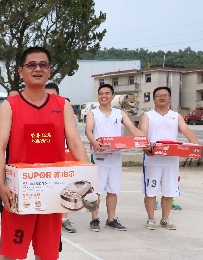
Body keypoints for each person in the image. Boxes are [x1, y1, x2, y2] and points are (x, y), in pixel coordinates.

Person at [0, 47, 88, 260]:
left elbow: (75, 142)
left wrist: (87, 179)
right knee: (10, 251)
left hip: (52, 192)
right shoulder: (10, 106)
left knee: (47, 252)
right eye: (31, 64)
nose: (37, 69)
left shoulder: (62, 105)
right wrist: (1, 185)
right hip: (20, 193)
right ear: (20, 71)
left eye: (43, 64)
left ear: (49, 70)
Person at [85, 84, 144, 231]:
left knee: (113, 190)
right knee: (96, 191)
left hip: (115, 158)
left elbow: (133, 129)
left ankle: (111, 220)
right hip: (99, 157)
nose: (103, 96)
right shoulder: (93, 113)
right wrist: (95, 142)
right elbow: (88, 130)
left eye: (107, 93)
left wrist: (146, 140)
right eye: (101, 93)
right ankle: (94, 219)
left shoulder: (119, 113)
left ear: (113, 96)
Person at [140, 86, 199, 230]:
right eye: (158, 95)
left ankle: (165, 219)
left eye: (165, 95)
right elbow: (142, 135)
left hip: (171, 160)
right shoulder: (147, 115)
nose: (162, 98)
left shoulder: (176, 116)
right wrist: (146, 149)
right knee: (151, 191)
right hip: (152, 160)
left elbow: (186, 131)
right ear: (153, 99)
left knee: (169, 190)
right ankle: (151, 219)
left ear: (170, 98)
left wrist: (197, 147)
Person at [45, 82, 77, 234]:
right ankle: (47, 219)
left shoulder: (65, 112)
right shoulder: (38, 113)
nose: (50, 98)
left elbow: (74, 139)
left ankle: (64, 219)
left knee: (65, 188)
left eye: (53, 95)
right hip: (44, 157)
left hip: (63, 156)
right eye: (47, 95)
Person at [0, 89, 19, 211]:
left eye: (16, 97)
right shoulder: (4, 112)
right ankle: (0, 199)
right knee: (3, 178)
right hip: (7, 152)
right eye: (11, 97)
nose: (13, 100)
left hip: (19, 156)